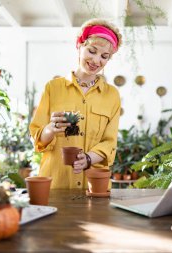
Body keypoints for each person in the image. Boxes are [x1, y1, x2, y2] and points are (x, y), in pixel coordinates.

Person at [29, 18, 123, 189]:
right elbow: (37, 138)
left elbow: (110, 142)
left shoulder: (112, 95)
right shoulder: (53, 87)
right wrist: (50, 128)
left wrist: (88, 159)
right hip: (56, 183)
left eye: (104, 56)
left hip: (94, 186)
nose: (96, 60)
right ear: (79, 46)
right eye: (92, 51)